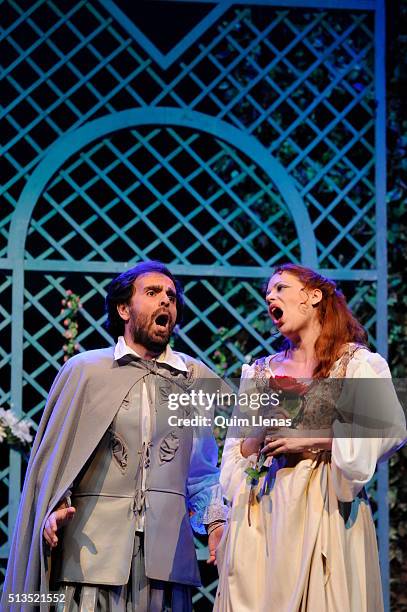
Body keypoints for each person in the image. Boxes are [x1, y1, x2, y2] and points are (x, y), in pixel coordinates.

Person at [2, 261, 228, 612]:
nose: (165, 301)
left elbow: (203, 470)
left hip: (165, 562)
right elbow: (59, 464)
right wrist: (55, 507)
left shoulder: (194, 377)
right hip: (93, 556)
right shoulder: (86, 372)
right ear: (124, 308)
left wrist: (215, 521)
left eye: (171, 295)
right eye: (152, 293)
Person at [214, 263, 405, 612]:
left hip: (325, 505)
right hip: (264, 513)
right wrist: (261, 430)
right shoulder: (260, 372)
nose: (270, 297)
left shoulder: (355, 364)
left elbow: (389, 429)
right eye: (267, 293)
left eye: (281, 288)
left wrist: (313, 439)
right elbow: (236, 452)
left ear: (314, 296)